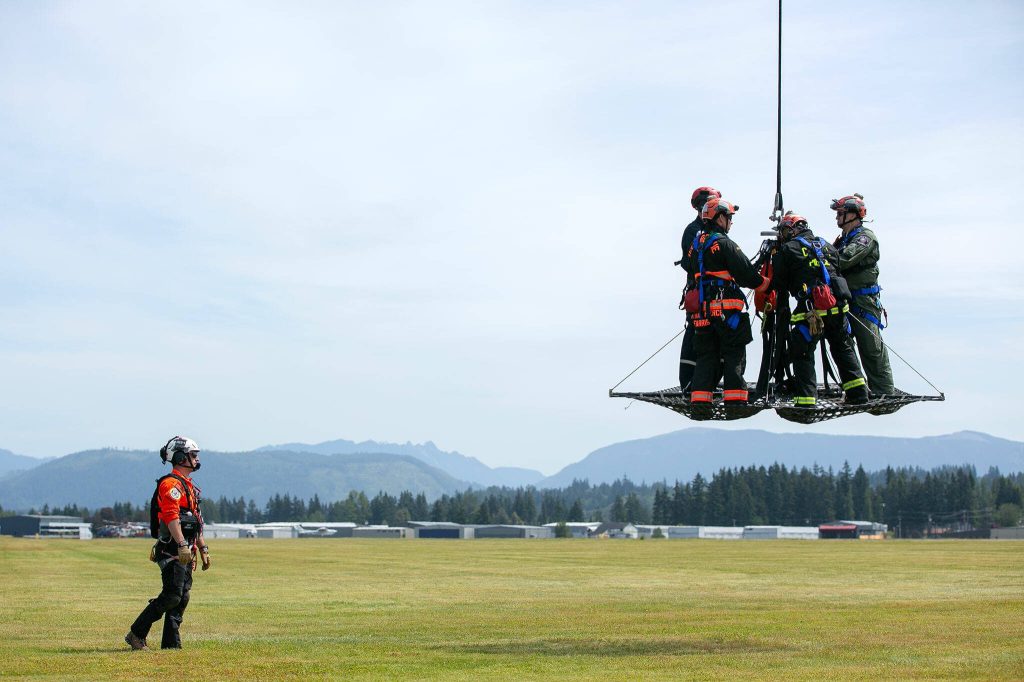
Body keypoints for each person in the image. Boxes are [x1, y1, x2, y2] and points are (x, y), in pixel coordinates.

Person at [772, 212, 869, 407]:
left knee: (803, 352)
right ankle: (858, 394)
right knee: (842, 348)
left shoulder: (789, 249)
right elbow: (837, 269)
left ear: (792, 229)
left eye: (783, 231)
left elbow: (779, 283)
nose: (782, 235)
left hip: (811, 313)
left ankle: (806, 401)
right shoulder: (827, 245)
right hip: (838, 309)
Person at [125, 436, 211, 650]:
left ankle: (171, 644)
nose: (196, 459)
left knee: (182, 597)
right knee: (172, 595)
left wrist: (202, 548)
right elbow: (171, 516)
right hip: (173, 549)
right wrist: (182, 545)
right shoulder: (171, 485)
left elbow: (195, 521)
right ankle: (136, 633)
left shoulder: (188, 486)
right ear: (181, 457)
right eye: (193, 455)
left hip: (186, 550)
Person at [683, 197, 769, 406]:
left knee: (706, 356)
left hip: (701, 315)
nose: (731, 222)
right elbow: (747, 275)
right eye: (729, 217)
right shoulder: (724, 244)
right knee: (734, 353)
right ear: (719, 218)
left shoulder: (695, 247)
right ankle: (735, 401)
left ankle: (701, 402)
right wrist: (766, 283)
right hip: (726, 313)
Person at [831, 194, 895, 396]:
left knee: (871, 349)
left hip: (864, 303)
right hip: (845, 301)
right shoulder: (843, 240)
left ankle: (884, 392)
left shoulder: (864, 238)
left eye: (841, 213)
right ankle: (859, 390)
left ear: (853, 214)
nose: (837, 218)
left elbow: (843, 260)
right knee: (845, 348)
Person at [677, 185, 722, 392]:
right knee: (697, 337)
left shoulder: (717, 234)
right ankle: (689, 383)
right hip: (700, 296)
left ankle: (709, 380)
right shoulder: (693, 231)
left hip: (719, 298)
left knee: (717, 339)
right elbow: (690, 262)